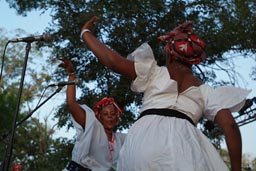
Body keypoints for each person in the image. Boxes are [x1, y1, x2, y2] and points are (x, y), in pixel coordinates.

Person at [80, 16, 251, 171]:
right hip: (185, 147)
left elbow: (112, 62)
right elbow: (230, 126)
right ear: (193, 61)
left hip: (143, 144)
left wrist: (86, 33)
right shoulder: (206, 91)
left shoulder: (154, 73)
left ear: (169, 54)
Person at [59, 58, 126, 171]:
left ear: (117, 118)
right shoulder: (92, 124)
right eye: (105, 113)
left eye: (112, 113)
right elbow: (71, 104)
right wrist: (71, 75)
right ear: (99, 117)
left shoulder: (120, 139)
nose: (109, 116)